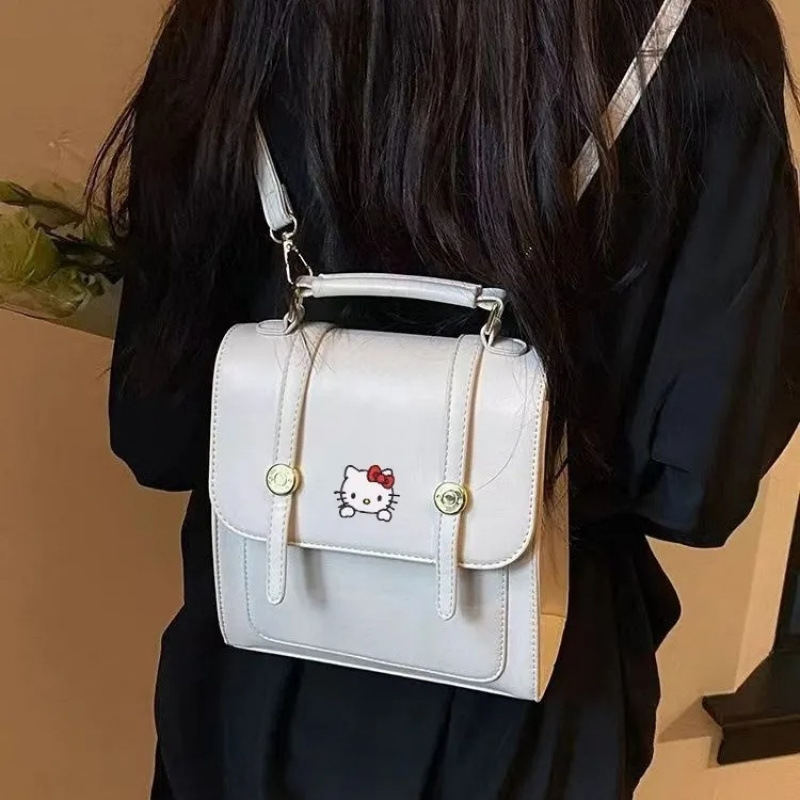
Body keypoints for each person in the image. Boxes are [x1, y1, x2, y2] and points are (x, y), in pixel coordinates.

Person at [94, 0, 800, 797]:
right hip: (525, 700)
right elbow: (696, 486)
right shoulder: (693, 28)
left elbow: (157, 432)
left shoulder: (234, 18)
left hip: (253, 682)